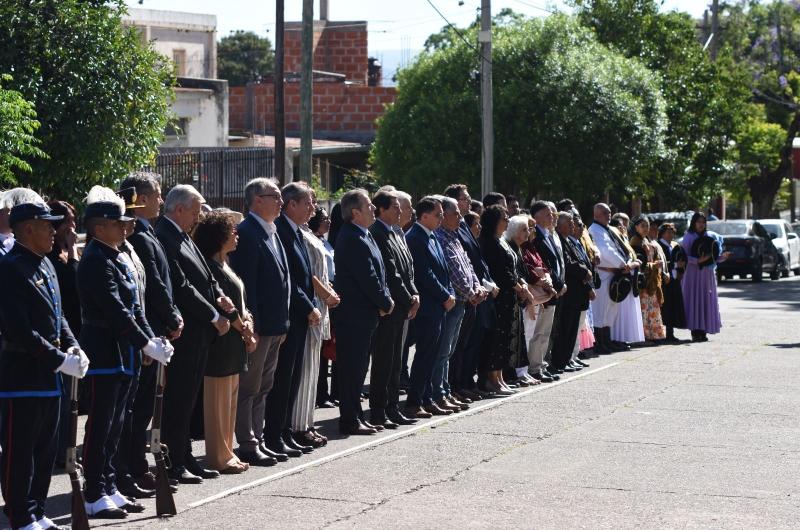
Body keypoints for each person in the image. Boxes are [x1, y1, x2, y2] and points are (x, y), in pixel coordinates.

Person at [77, 186, 173, 517]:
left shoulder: (116, 256)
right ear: (98, 227)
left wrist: (152, 340)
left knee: (117, 425)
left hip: (124, 352)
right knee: (101, 426)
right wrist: (144, 343)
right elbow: (115, 309)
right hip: (105, 351)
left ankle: (109, 485)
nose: (124, 227)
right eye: (117, 222)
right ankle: (93, 492)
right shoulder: (94, 259)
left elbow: (136, 309)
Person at [0, 198, 89, 530]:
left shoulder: (45, 263)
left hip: (50, 376)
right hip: (22, 376)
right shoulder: (10, 269)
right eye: (47, 225)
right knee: (20, 452)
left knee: (44, 450)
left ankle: (37, 510)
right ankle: (20, 515)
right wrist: (59, 359)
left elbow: (59, 315)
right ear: (27, 229)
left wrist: (74, 347)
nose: (55, 231)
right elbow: (19, 329)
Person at [156, 184, 234, 484]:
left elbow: (204, 274)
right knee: (178, 400)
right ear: (179, 209)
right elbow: (182, 286)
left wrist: (219, 296)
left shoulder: (183, 235)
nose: (199, 216)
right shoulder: (166, 235)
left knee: (188, 400)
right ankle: (174, 461)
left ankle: (185, 456)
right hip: (186, 332)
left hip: (199, 333)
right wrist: (214, 315)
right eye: (195, 210)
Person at [116, 172, 183, 495]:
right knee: (137, 407)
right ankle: (131, 468)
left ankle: (134, 467)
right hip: (146, 331)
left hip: (153, 331)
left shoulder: (146, 232)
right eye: (156, 194)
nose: (161, 199)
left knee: (142, 407)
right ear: (140, 199)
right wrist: (170, 317)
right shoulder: (139, 236)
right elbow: (153, 285)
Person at [228, 177, 291, 466]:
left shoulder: (272, 231)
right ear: (256, 200)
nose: (280, 202)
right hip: (260, 326)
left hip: (276, 325)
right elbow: (247, 287)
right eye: (274, 196)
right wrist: (250, 327)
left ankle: (259, 438)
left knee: (264, 387)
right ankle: (247, 442)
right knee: (250, 387)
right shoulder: (248, 232)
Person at [194, 211, 256, 474]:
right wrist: (245, 330)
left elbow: (240, 303)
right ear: (219, 237)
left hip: (236, 341)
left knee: (230, 399)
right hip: (222, 343)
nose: (236, 235)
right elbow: (224, 308)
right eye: (232, 231)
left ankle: (228, 452)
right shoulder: (211, 267)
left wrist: (248, 322)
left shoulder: (226, 263)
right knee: (218, 403)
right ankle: (218, 456)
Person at [266, 182, 320, 457]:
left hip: (300, 318)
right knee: (283, 379)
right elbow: (292, 282)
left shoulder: (296, 231)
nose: (313, 208)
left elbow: (303, 275)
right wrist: (309, 306)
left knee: (294, 378)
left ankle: (285, 431)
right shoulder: (283, 232)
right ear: (292, 205)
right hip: (291, 316)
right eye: (308, 203)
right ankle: (274, 435)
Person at [334, 189, 394, 435]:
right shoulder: (351, 237)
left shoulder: (364, 234)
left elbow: (380, 273)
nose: (373, 209)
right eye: (369, 206)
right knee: (352, 369)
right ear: (355, 212)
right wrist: (385, 301)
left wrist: (385, 298)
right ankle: (349, 419)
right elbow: (367, 278)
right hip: (354, 316)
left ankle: (356, 415)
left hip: (366, 315)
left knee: (359, 369)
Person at [292, 190, 339, 446]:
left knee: (314, 369)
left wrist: (329, 294)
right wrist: (327, 294)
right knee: (307, 370)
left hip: (322, 307)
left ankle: (307, 423)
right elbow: (308, 275)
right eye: (309, 202)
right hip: (312, 307)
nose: (313, 207)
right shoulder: (298, 235)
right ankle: (299, 426)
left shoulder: (309, 234)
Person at [368, 190, 419, 428]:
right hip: (390, 309)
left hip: (402, 306)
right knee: (384, 362)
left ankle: (391, 407)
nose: (401, 211)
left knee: (396, 361)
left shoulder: (395, 233)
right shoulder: (377, 232)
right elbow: (391, 273)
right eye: (396, 207)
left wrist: (414, 294)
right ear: (383, 209)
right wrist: (409, 298)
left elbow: (407, 270)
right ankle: (379, 411)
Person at [442, 184, 496, 404]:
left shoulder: (462, 225)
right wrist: (472, 289)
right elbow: (455, 265)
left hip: (473, 293)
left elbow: (470, 260)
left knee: (466, 344)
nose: (469, 200)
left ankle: (463, 383)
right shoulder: (447, 230)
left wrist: (481, 286)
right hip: (461, 296)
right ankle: (454, 386)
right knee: (451, 349)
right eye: (464, 198)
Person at [404, 197, 455, 418]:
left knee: (432, 355)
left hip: (438, 307)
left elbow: (443, 270)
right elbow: (424, 274)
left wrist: (450, 291)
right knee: (424, 355)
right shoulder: (415, 238)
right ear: (424, 216)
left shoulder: (432, 237)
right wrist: (445, 295)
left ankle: (427, 398)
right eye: (438, 214)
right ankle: (415, 402)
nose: (442, 217)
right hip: (427, 308)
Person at [433, 196, 483, 411]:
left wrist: (477, 287)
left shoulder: (454, 236)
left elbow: (468, 266)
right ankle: (439, 393)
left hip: (464, 301)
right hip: (454, 302)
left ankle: (445, 390)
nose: (460, 216)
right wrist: (471, 292)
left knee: (451, 350)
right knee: (443, 351)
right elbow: (452, 273)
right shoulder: (441, 237)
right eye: (455, 213)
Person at [46, 201, 81, 471]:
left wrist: (73, 253)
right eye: (67, 220)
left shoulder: (70, 253)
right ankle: (59, 452)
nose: (72, 225)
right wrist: (69, 252)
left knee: (72, 398)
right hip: (55, 337)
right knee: (60, 400)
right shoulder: (50, 257)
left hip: (73, 332)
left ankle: (65, 448)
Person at [478, 207, 529, 394]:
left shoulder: (502, 240)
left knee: (505, 338)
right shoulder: (489, 242)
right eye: (504, 218)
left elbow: (514, 268)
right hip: (497, 298)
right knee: (495, 339)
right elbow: (500, 271)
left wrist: (520, 285)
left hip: (509, 298)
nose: (507, 221)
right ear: (493, 221)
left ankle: (500, 377)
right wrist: (518, 286)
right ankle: (492, 380)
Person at [550, 212, 594, 372]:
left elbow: (579, 260)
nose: (572, 226)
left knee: (572, 329)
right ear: (560, 225)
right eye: (569, 224)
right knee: (565, 329)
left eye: (573, 224)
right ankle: (560, 360)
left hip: (577, 293)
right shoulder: (559, 240)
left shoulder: (569, 240)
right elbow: (568, 264)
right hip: (568, 294)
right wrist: (583, 271)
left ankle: (567, 358)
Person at [588, 203, 633, 354]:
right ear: (596, 215)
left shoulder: (606, 229)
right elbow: (606, 251)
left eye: (609, 213)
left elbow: (617, 248)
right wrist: (623, 264)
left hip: (614, 274)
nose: (609, 215)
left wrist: (625, 263)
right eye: (605, 213)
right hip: (604, 274)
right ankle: (599, 343)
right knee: (601, 310)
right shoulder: (594, 230)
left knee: (611, 310)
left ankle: (607, 340)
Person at [528, 201, 564, 382]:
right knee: (539, 331)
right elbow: (545, 265)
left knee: (546, 331)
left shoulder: (549, 235)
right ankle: (535, 367)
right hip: (545, 291)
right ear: (537, 216)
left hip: (553, 290)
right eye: (547, 213)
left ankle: (541, 365)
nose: (552, 216)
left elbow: (556, 263)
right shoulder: (537, 237)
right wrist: (557, 285)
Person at [682, 212, 727, 342]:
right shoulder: (689, 237)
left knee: (705, 300)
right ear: (694, 223)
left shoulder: (710, 236)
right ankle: (695, 331)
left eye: (703, 222)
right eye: (698, 222)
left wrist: (722, 257)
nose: (701, 225)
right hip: (693, 274)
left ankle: (703, 330)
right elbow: (684, 257)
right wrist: (697, 261)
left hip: (707, 275)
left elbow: (714, 257)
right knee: (695, 300)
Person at [309, 206, 338, 409]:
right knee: (318, 353)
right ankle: (320, 394)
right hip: (321, 299)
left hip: (331, 295)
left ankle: (326, 393)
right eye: (324, 219)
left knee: (328, 349)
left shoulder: (326, 242)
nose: (328, 222)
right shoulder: (311, 240)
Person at [629, 216, 667, 342]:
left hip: (651, 281)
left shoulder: (647, 240)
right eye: (642, 226)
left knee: (652, 306)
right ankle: (644, 335)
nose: (646, 228)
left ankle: (653, 334)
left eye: (647, 226)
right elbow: (638, 262)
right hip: (642, 282)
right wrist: (653, 265)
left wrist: (657, 264)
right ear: (636, 227)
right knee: (644, 308)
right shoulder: (634, 242)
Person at [610, 214, 644, 346]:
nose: (623, 227)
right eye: (619, 225)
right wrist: (633, 263)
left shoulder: (624, 238)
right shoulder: (614, 239)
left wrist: (634, 262)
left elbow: (630, 256)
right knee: (619, 312)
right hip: (621, 278)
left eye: (624, 224)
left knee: (626, 312)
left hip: (630, 277)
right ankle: (616, 339)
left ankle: (623, 338)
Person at [657, 223, 687, 342]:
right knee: (665, 307)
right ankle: (662, 334)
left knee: (673, 307)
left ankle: (670, 333)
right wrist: (675, 265)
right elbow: (662, 262)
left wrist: (681, 268)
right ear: (662, 233)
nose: (670, 235)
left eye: (672, 232)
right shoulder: (659, 246)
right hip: (664, 281)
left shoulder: (674, 246)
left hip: (675, 280)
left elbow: (682, 259)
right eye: (667, 232)